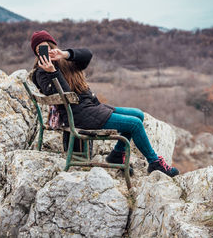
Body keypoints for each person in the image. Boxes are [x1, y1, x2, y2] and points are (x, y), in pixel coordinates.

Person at [30, 30, 179, 177]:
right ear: (37, 55)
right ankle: (154, 163)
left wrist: (64, 54)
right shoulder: (41, 73)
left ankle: (117, 153)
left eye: (47, 47)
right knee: (134, 124)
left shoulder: (66, 62)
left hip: (90, 108)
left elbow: (87, 54)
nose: (45, 52)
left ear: (53, 46)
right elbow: (66, 94)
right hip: (79, 115)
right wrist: (52, 71)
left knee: (138, 114)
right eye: (40, 50)